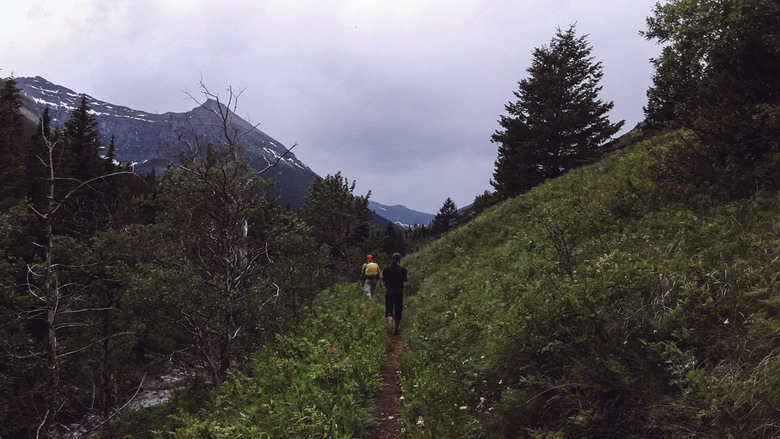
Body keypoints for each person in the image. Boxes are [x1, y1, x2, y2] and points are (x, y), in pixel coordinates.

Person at [382, 252, 408, 335]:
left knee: (389, 309)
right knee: (398, 310)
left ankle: (390, 325)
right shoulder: (403, 270)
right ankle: (396, 328)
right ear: (400, 259)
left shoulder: (386, 269)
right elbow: (405, 279)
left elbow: (383, 279)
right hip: (399, 293)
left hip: (389, 292)